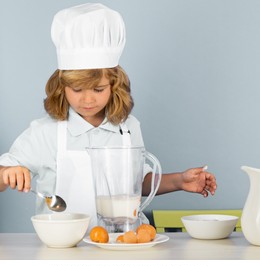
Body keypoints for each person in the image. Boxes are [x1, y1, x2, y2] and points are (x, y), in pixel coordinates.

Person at [0, 3, 216, 228]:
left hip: (123, 239)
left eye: (98, 89)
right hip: (64, 245)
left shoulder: (128, 127)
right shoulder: (46, 132)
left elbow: (139, 183)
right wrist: (8, 173)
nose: (88, 100)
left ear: (115, 86)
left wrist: (180, 180)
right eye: (77, 90)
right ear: (61, 87)